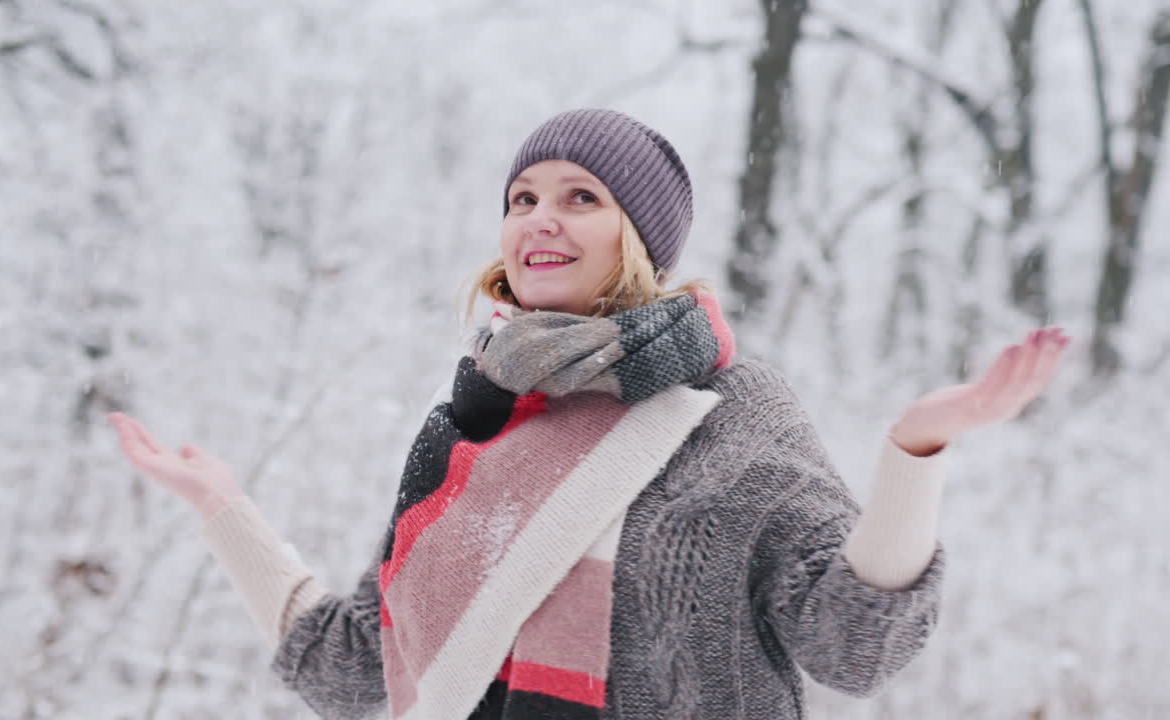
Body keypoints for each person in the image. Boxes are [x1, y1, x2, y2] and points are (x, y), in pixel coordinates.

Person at [108, 108, 1069, 720]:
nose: (540, 217)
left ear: (637, 238)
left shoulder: (723, 414)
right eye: (522, 197)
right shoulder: (469, 429)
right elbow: (353, 666)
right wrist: (224, 509)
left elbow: (851, 646)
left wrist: (915, 449)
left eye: (581, 196)